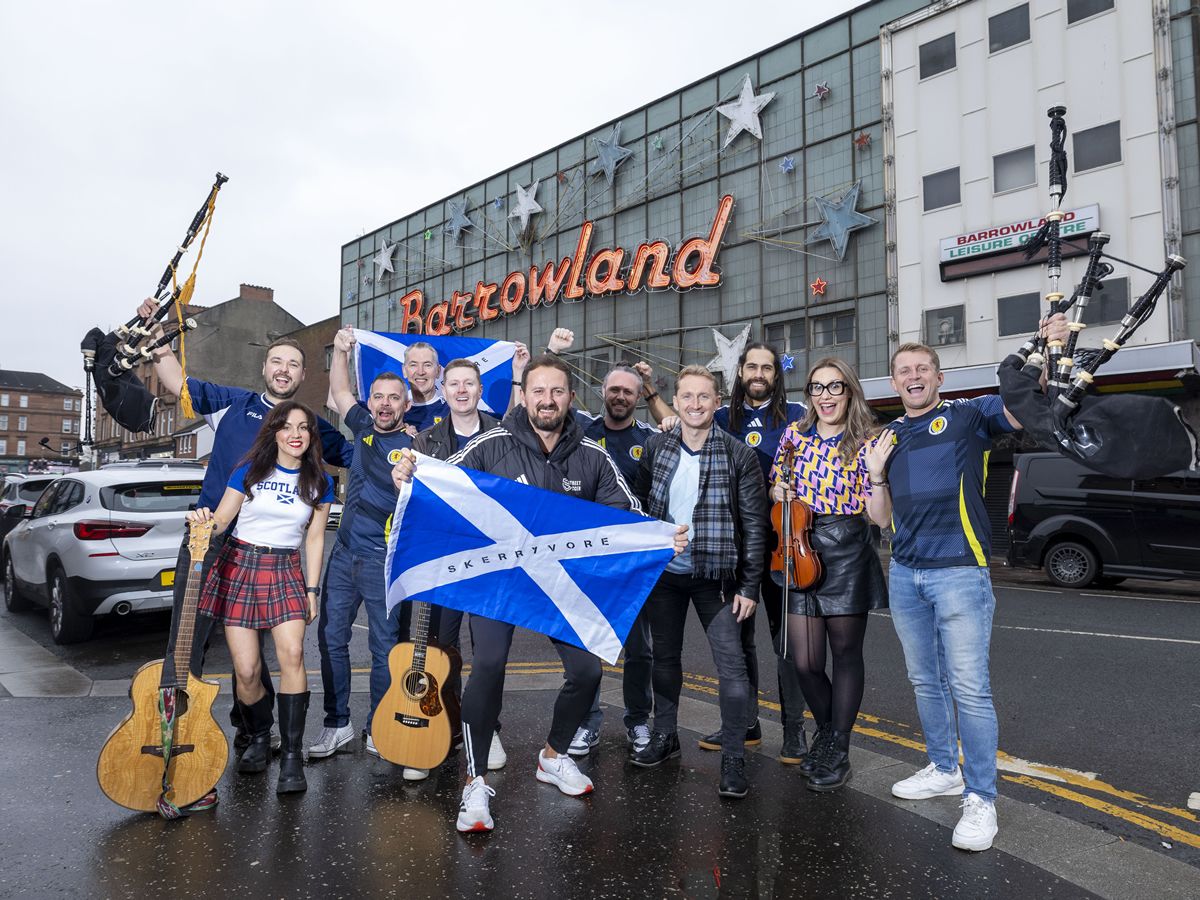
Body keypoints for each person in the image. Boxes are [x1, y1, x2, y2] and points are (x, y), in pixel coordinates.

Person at [391, 354, 686, 834]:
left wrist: (659, 536)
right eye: (538, 391)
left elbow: (627, 514)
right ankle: (474, 781)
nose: (547, 400)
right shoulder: (492, 445)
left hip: (560, 584)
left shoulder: (592, 454)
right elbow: (442, 482)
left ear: (570, 398)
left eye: (557, 392)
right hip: (498, 581)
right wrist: (409, 475)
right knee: (487, 666)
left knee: (589, 671)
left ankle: (553, 754)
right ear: (523, 395)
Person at [137, 298, 352, 761]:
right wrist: (157, 339)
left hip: (267, 552)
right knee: (187, 639)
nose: (284, 369)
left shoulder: (310, 426)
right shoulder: (232, 404)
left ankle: (253, 730)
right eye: (277, 360)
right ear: (265, 365)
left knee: (253, 656)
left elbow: (360, 456)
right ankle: (176, 734)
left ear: (301, 376)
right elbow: (177, 380)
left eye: (294, 364)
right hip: (211, 538)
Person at [885, 317, 1068, 852]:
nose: (913, 376)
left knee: (969, 687)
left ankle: (981, 797)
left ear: (939, 377)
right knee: (925, 681)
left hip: (961, 573)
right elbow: (880, 518)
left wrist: (1046, 347)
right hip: (904, 573)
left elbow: (1024, 404)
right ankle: (943, 767)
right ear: (894, 383)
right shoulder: (889, 435)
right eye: (904, 371)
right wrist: (873, 473)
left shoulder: (969, 416)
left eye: (922, 368)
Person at [529, 328, 669, 759]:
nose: (620, 396)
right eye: (613, 390)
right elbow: (539, 402)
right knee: (588, 643)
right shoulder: (583, 434)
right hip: (587, 561)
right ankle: (586, 724)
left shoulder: (653, 436)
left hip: (634, 559)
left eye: (629, 391)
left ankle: (637, 721)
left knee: (640, 648)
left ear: (637, 394)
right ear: (602, 393)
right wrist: (551, 351)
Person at [630, 365, 767, 800]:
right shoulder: (656, 447)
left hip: (717, 577)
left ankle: (733, 756)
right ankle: (666, 736)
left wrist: (749, 586)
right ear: (677, 399)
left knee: (732, 667)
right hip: (666, 575)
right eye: (686, 396)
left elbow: (754, 525)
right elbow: (640, 506)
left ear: (717, 401)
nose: (694, 404)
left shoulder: (737, 454)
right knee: (664, 660)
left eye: (703, 397)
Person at [188, 401, 333, 794]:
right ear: (274, 432)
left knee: (293, 655)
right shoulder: (248, 471)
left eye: (304, 427)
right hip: (239, 564)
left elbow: (316, 538)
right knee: (248, 670)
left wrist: (312, 588)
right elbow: (221, 521)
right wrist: (205, 523)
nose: (296, 434)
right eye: (287, 427)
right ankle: (258, 734)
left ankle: (290, 755)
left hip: (285, 568)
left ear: (311, 435)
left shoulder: (320, 480)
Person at [769, 358, 892, 792]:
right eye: (816, 388)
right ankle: (827, 732)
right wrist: (779, 489)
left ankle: (836, 749)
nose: (825, 396)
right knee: (803, 660)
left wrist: (877, 476)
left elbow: (879, 518)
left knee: (844, 655)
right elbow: (775, 485)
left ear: (849, 391)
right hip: (801, 545)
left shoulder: (869, 439)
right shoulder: (793, 436)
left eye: (834, 387)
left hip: (847, 548)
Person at [308, 326, 415, 769]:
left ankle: (377, 725)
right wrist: (340, 349)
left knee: (383, 649)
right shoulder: (362, 427)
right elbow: (337, 388)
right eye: (378, 396)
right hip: (343, 553)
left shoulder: (416, 444)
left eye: (394, 397)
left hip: (382, 560)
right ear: (370, 401)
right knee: (330, 638)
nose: (385, 404)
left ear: (406, 405)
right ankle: (337, 724)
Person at [710, 342, 809, 764]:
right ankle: (746, 724)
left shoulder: (798, 417)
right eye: (751, 366)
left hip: (781, 545)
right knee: (738, 642)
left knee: (784, 641)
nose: (758, 373)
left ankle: (794, 731)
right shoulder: (717, 418)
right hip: (732, 547)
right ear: (739, 372)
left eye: (767, 368)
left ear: (776, 375)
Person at [408, 357, 505, 779]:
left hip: (492, 560)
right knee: (442, 651)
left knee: (489, 657)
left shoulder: (505, 435)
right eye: (454, 384)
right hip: (445, 562)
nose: (462, 390)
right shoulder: (426, 441)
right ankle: (439, 725)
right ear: (443, 391)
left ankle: (486, 728)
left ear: (480, 390)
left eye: (470, 383)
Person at [403, 341, 449, 432]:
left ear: (438, 371)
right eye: (413, 365)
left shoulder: (451, 412)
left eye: (427, 365)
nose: (420, 372)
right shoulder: (394, 414)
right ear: (404, 371)